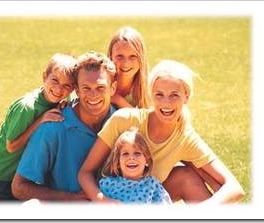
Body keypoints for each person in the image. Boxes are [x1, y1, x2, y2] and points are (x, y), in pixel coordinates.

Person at [78, 59, 245, 204]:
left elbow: (234, 188)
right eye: (159, 95)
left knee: (187, 177)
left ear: (186, 96)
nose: (166, 103)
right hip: (110, 197)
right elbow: (86, 173)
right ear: (151, 95)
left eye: (174, 95)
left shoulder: (185, 137)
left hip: (147, 199)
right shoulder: (124, 120)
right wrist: (104, 202)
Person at [11, 51, 117, 201]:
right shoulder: (53, 127)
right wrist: (69, 198)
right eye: (86, 88)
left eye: (100, 87)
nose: (93, 95)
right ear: (77, 90)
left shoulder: (122, 123)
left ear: (113, 88)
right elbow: (19, 187)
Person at [0, 53, 77, 202]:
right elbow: (11, 146)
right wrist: (40, 121)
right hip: (0, 172)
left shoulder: (61, 101)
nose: (59, 89)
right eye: (55, 80)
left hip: (21, 177)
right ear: (44, 76)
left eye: (66, 85)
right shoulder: (27, 107)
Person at [99, 127, 172, 204]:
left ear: (147, 160)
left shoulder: (152, 185)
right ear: (117, 163)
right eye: (125, 154)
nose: (131, 158)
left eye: (137, 153)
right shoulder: (108, 185)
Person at [107, 26, 148, 108]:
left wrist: (118, 100)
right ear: (111, 56)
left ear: (141, 58)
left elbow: (143, 120)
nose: (126, 63)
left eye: (133, 56)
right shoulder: (100, 82)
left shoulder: (148, 89)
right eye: (119, 56)